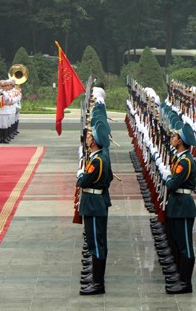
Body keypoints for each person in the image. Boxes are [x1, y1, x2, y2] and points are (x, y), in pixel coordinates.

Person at [77, 120, 112, 295]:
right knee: (97, 242)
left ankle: (98, 283)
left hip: (94, 203)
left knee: (96, 243)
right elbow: (110, 178)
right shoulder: (100, 156)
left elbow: (83, 181)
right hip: (97, 201)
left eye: (90, 136)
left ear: (96, 141)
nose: (87, 138)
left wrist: (80, 174)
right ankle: (96, 278)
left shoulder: (97, 160)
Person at [163, 122, 196, 294]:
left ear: (181, 141)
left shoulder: (185, 162)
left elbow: (172, 183)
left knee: (185, 245)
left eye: (175, 136)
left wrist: (168, 180)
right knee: (178, 242)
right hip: (177, 203)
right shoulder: (180, 159)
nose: (172, 138)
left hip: (183, 205)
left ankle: (186, 283)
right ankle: (180, 276)